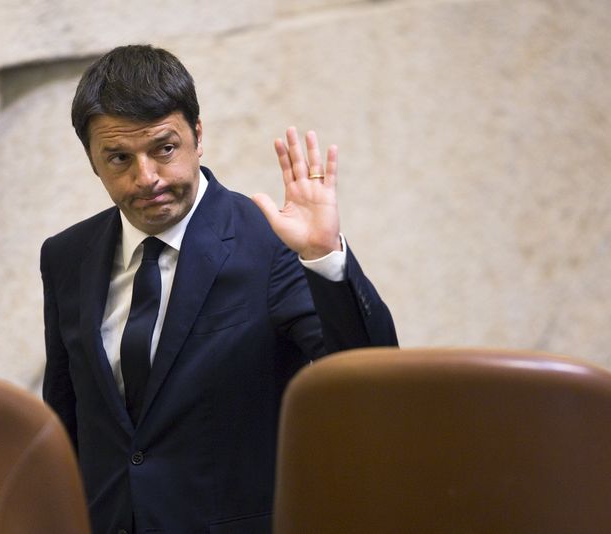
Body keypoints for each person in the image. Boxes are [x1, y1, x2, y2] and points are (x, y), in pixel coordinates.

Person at [41, 44, 397, 534]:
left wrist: (323, 256)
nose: (147, 178)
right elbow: (66, 418)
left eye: (164, 149)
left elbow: (369, 376)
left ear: (198, 137)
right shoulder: (66, 256)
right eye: (119, 158)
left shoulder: (267, 242)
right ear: (93, 161)